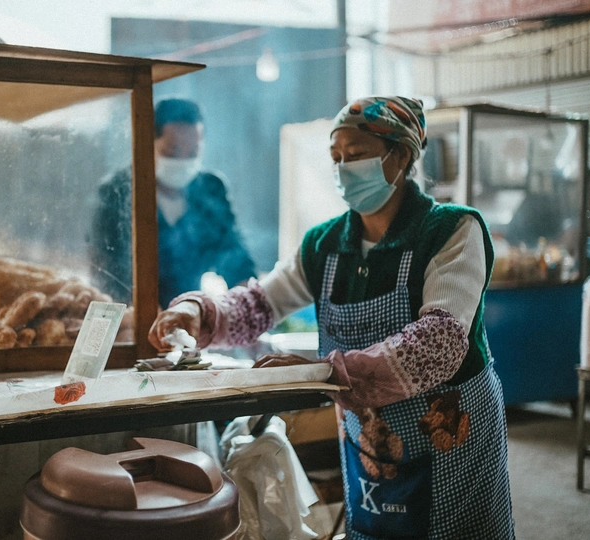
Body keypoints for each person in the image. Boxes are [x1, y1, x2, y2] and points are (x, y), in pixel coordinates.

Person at [149, 97, 514, 538]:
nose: (343, 168)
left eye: (356, 156)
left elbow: (438, 344)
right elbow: (259, 303)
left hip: (451, 443)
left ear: (400, 156)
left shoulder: (451, 230)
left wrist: (320, 373)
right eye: (336, 158)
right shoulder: (325, 244)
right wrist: (197, 312)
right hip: (371, 446)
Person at [90, 97, 256, 306]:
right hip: (131, 317)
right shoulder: (117, 191)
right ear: (147, 144)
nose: (183, 162)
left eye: (193, 153)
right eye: (172, 151)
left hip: (191, 315)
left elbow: (235, 257)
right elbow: (108, 272)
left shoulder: (210, 189)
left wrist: (247, 309)